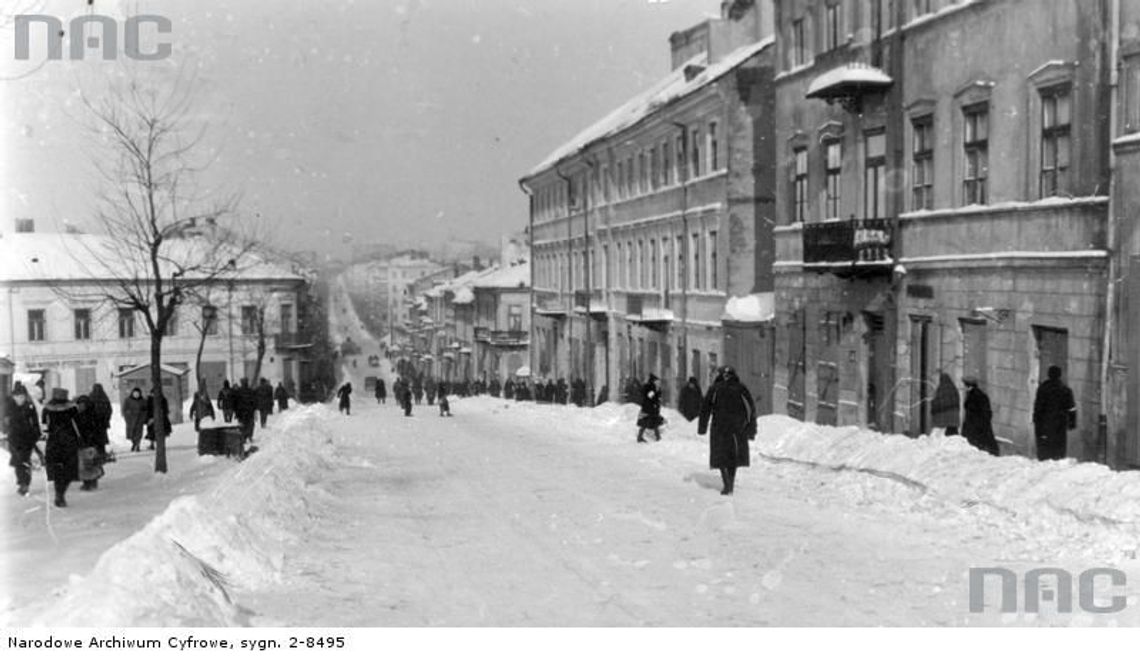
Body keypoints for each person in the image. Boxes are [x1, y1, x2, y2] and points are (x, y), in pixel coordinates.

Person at [698, 366, 756, 496]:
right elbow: (751, 410)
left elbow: (705, 409)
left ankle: (727, 485)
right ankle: (730, 484)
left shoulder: (715, 389)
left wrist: (702, 427)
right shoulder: (741, 388)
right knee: (733, 457)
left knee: (721, 457)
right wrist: (751, 429)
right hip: (737, 429)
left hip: (720, 428)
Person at [42, 388, 80, 507]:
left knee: (58, 470)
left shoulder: (47, 408)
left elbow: (44, 425)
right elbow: (78, 423)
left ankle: (59, 494)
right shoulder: (71, 408)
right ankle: (61, 493)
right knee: (69, 469)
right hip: (69, 441)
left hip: (54, 442)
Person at [1033, 365, 1077, 461]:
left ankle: (1044, 460)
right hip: (1060, 422)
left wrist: (1036, 419)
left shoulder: (1043, 389)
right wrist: (1072, 423)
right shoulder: (1065, 389)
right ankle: (1058, 459)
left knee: (1044, 445)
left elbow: (1038, 406)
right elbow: (1071, 408)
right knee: (1059, 444)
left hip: (1045, 422)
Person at [5, 387, 41, 496]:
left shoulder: (29, 406)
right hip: (14, 438)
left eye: (23, 397)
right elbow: (4, 421)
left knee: (24, 461)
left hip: (27, 438)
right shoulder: (9, 407)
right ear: (14, 397)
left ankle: (25, 484)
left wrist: (37, 434)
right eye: (19, 397)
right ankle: (22, 482)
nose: (21, 399)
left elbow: (35, 421)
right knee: (18, 462)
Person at [74, 395, 106, 491]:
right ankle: (87, 482)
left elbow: (99, 430)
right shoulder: (78, 416)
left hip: (92, 443)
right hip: (83, 443)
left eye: (82, 405)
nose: (80, 407)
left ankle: (92, 482)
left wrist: (97, 442)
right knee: (84, 465)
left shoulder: (93, 415)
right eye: (79, 405)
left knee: (91, 463)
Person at [961, 376, 999, 456]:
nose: (963, 387)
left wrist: (976, 425)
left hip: (977, 429)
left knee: (980, 450)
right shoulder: (974, 395)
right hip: (978, 428)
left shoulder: (976, 396)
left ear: (969, 386)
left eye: (964, 385)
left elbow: (983, 413)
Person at [88, 383, 113, 462]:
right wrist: (106, 419)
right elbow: (109, 410)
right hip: (102, 423)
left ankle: (96, 455)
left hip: (94, 423)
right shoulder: (104, 398)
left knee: (94, 440)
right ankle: (101, 454)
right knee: (101, 440)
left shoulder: (90, 398)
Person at [636, 374, 665, 443]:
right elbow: (650, 396)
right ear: (653, 381)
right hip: (649, 408)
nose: (658, 383)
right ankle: (640, 437)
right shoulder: (650, 387)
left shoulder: (653, 387)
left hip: (652, 409)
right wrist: (656, 391)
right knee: (646, 423)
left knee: (653, 423)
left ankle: (657, 437)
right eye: (656, 381)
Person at [121, 387, 147, 451]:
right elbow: (124, 409)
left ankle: (137, 445)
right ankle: (134, 443)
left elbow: (145, 410)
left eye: (137, 393)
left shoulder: (143, 401)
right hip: (130, 420)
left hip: (139, 420)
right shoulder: (127, 400)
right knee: (131, 434)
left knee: (138, 434)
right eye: (135, 393)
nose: (136, 395)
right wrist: (128, 415)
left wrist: (143, 417)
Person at [234, 378, 258, 443]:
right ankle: (249, 436)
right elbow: (254, 401)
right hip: (249, 411)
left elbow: (235, 402)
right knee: (250, 424)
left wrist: (236, 412)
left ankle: (243, 437)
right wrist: (254, 409)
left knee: (242, 425)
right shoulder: (251, 391)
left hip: (241, 412)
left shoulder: (238, 391)